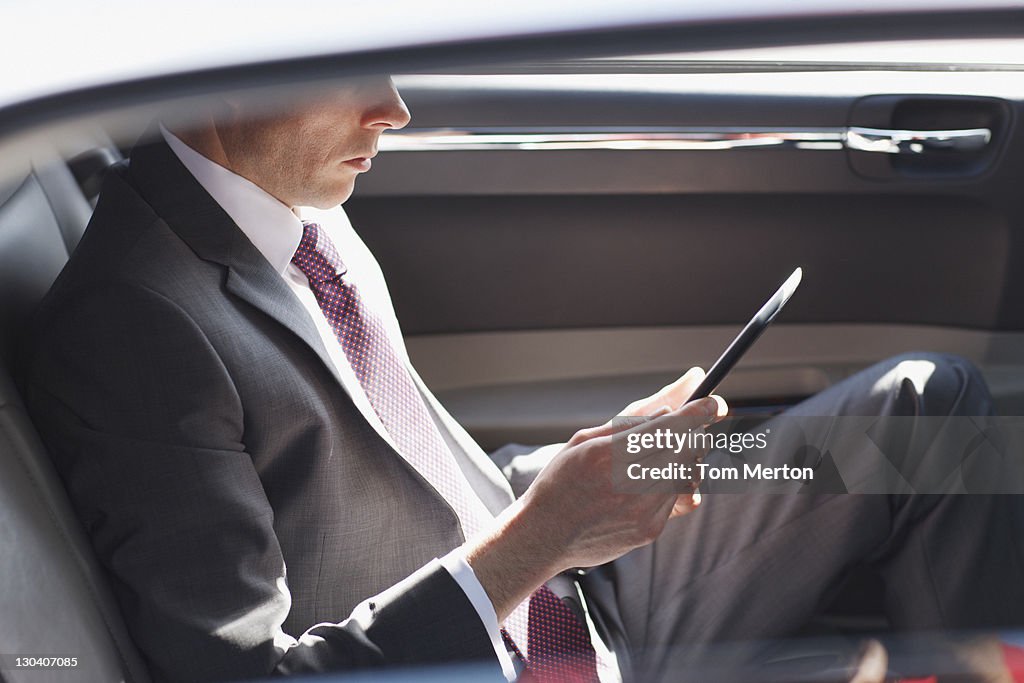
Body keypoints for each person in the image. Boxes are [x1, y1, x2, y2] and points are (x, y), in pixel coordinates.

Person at [19, 76, 1023, 683]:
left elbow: (411, 457)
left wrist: (581, 469)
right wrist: (541, 534)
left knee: (927, 418)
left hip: (568, 585)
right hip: (490, 639)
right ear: (231, 79)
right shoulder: (135, 323)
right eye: (352, 75)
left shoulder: (297, 204)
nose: (397, 112)